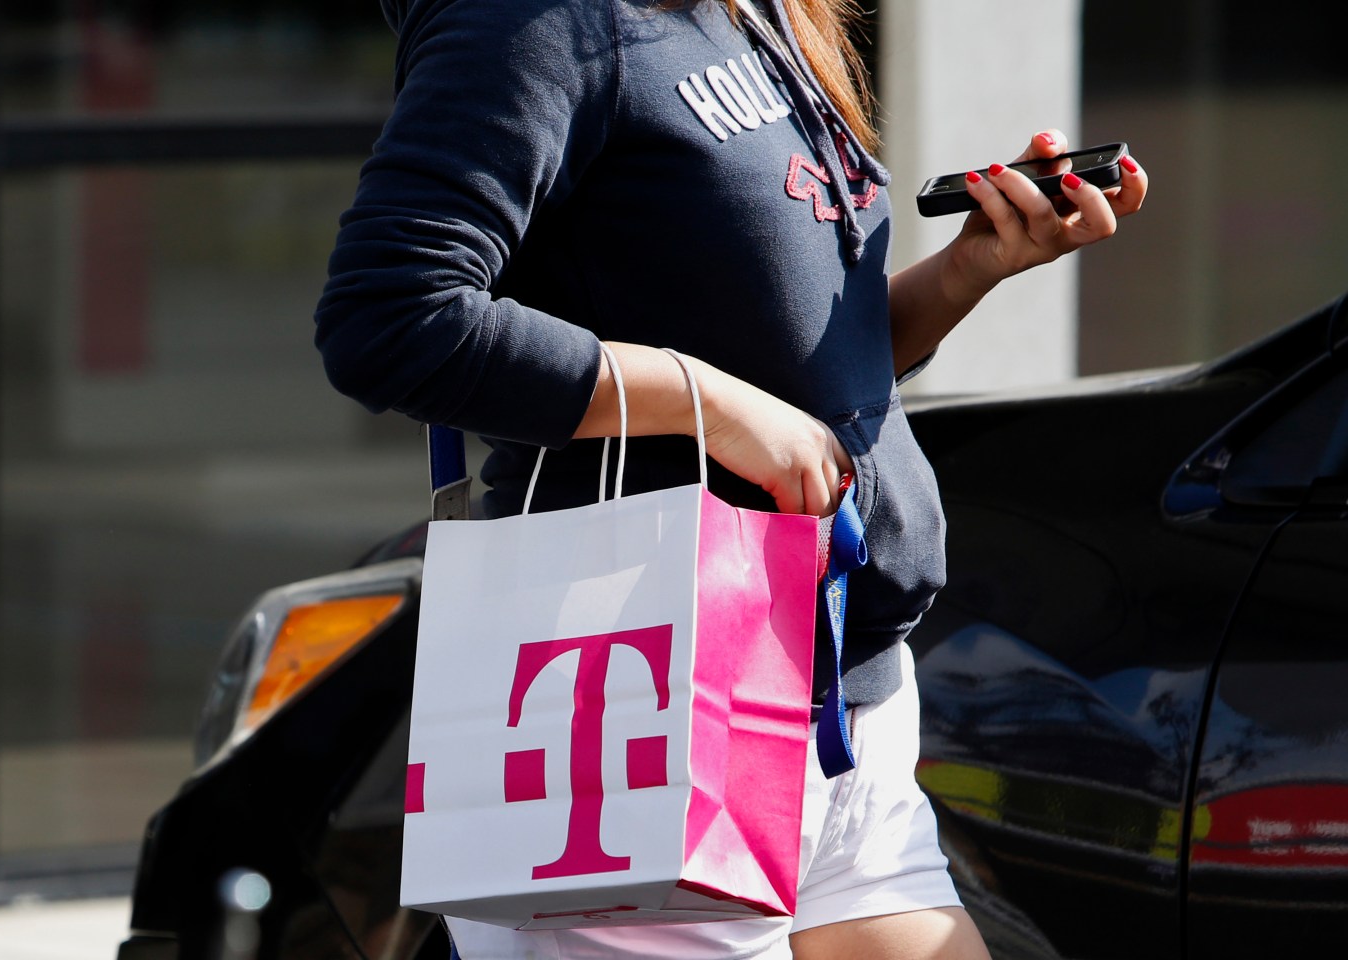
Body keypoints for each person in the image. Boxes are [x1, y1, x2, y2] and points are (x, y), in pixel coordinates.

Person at [314, 0, 1148, 956]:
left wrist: (970, 269)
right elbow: (389, 317)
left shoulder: (754, 13)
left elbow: (798, 357)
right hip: (656, 705)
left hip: (845, 695)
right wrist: (708, 404)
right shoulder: (534, 21)